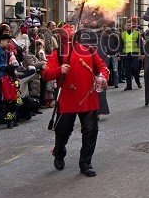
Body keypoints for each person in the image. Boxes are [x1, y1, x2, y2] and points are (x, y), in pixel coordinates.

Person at [41, 25, 109, 177]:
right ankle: (59, 152)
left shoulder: (90, 50)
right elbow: (45, 74)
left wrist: (103, 77)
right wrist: (59, 70)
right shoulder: (57, 54)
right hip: (67, 101)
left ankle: (85, 163)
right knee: (62, 132)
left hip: (88, 99)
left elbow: (102, 67)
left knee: (90, 132)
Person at [0, 34, 11, 125]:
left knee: (2, 96)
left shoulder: (4, 51)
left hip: (3, 75)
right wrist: (7, 67)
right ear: (1, 41)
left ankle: (1, 115)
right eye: (7, 42)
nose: (9, 44)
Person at [121, 21, 142, 91]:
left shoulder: (136, 33)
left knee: (135, 68)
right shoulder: (122, 34)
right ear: (125, 26)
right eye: (127, 25)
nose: (128, 26)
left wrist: (142, 53)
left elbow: (140, 43)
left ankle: (138, 82)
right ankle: (129, 85)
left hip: (134, 53)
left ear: (132, 26)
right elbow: (121, 45)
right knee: (127, 70)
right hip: (126, 54)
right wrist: (120, 55)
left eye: (129, 25)